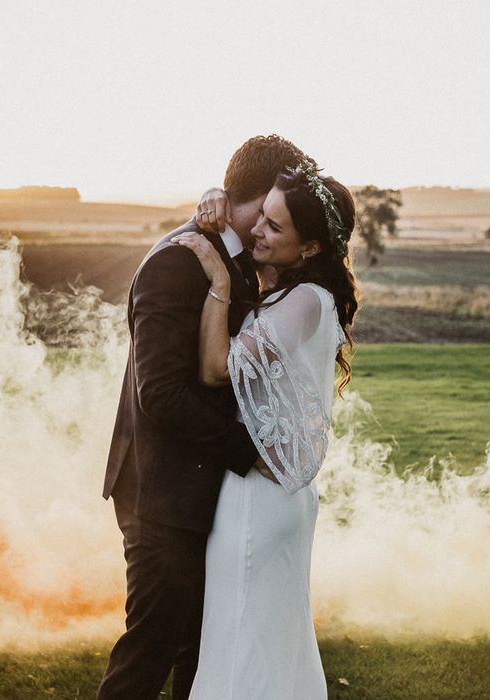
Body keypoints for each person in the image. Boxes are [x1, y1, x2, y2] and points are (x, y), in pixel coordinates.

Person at [97, 135, 316, 700]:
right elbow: (162, 394)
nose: (275, 222)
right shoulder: (178, 262)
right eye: (272, 207)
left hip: (206, 493)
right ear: (258, 197)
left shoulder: (238, 255)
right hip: (161, 491)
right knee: (151, 650)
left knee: (200, 655)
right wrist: (249, 453)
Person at [173, 161, 359, 699]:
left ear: (310, 249)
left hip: (260, 498)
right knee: (267, 645)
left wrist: (216, 280)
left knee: (241, 644)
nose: (258, 230)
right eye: (263, 217)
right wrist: (214, 200)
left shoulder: (303, 302)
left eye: (275, 227)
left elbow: (214, 369)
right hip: (280, 495)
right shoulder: (291, 292)